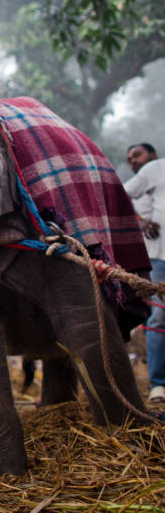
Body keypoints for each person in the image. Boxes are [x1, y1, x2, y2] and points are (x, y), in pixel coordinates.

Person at [124, 143, 165, 403]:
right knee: (159, 320)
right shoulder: (152, 173)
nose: (133, 162)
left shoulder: (156, 168)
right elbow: (119, 193)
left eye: (136, 155)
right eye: (129, 159)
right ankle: (158, 385)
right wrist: (140, 222)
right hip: (159, 257)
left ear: (151, 154)